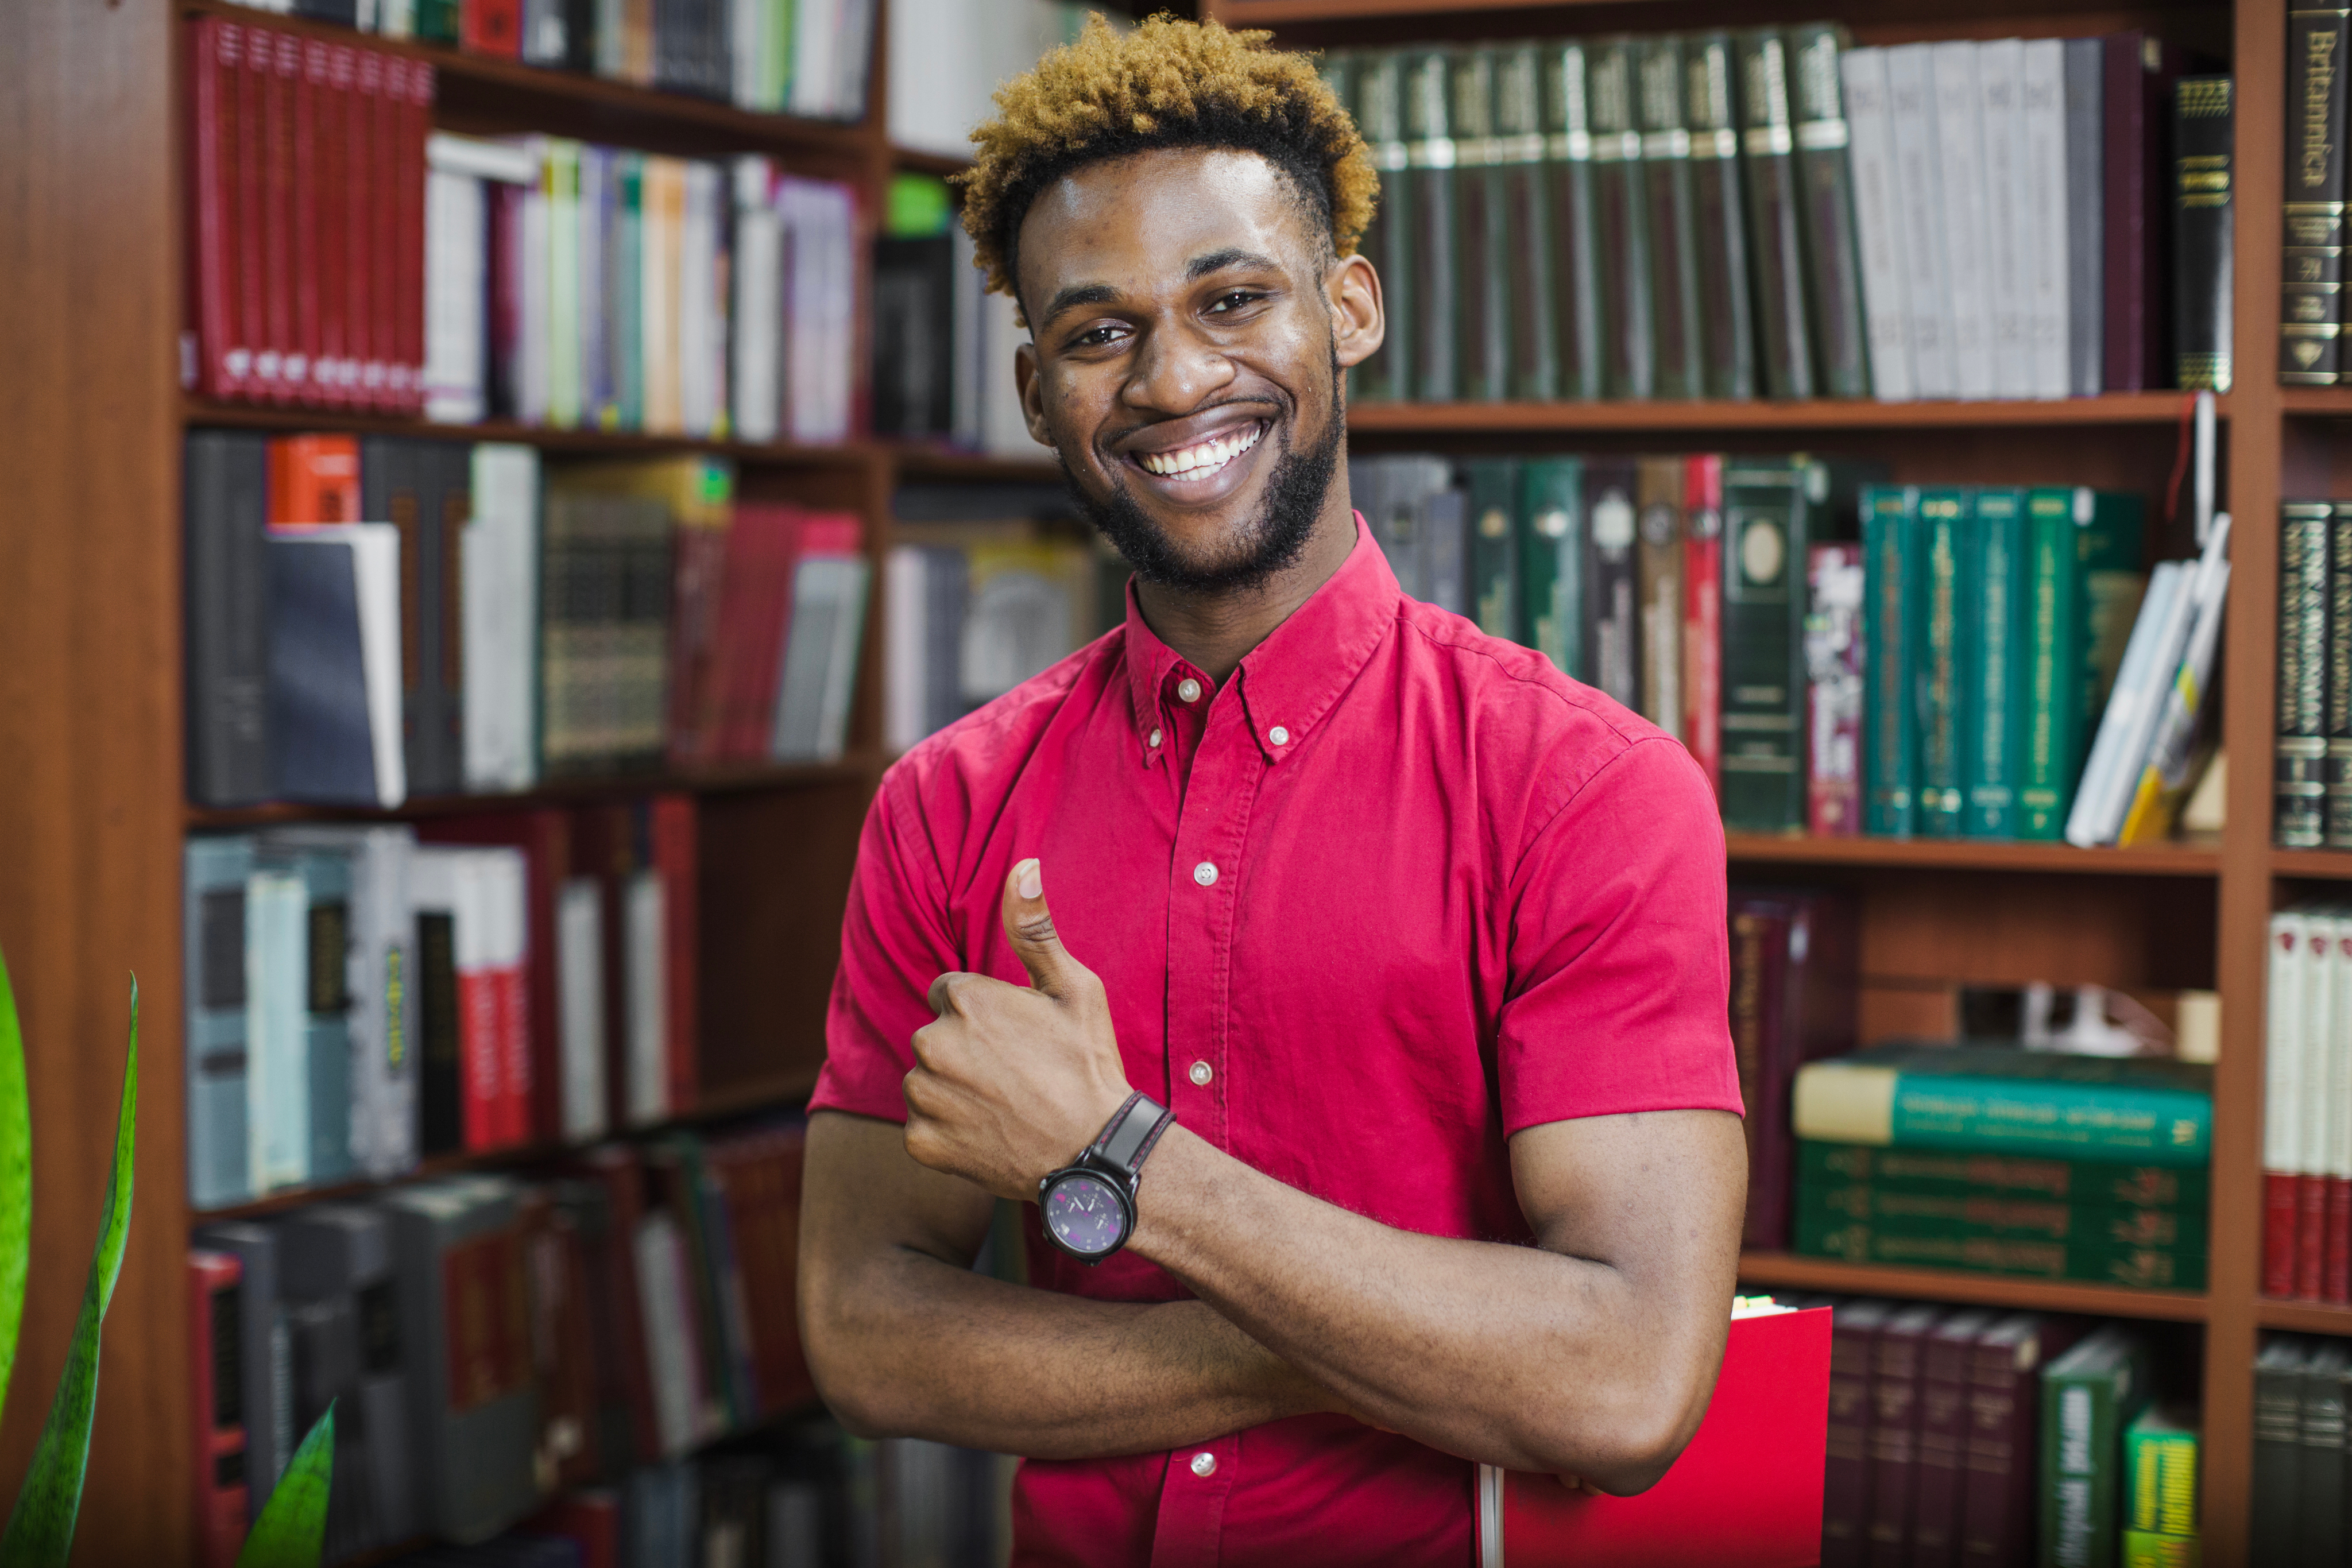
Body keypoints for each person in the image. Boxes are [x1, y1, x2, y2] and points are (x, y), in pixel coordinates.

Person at [798, 17, 1746, 1565]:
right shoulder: (945, 807)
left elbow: (1625, 1383)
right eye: (1098, 334)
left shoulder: (1588, 792)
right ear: (1037, 393)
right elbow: (865, 1335)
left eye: (1233, 300)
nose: (1175, 377)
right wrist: (1362, 1351)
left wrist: (1114, 1152)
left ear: (1348, 308)